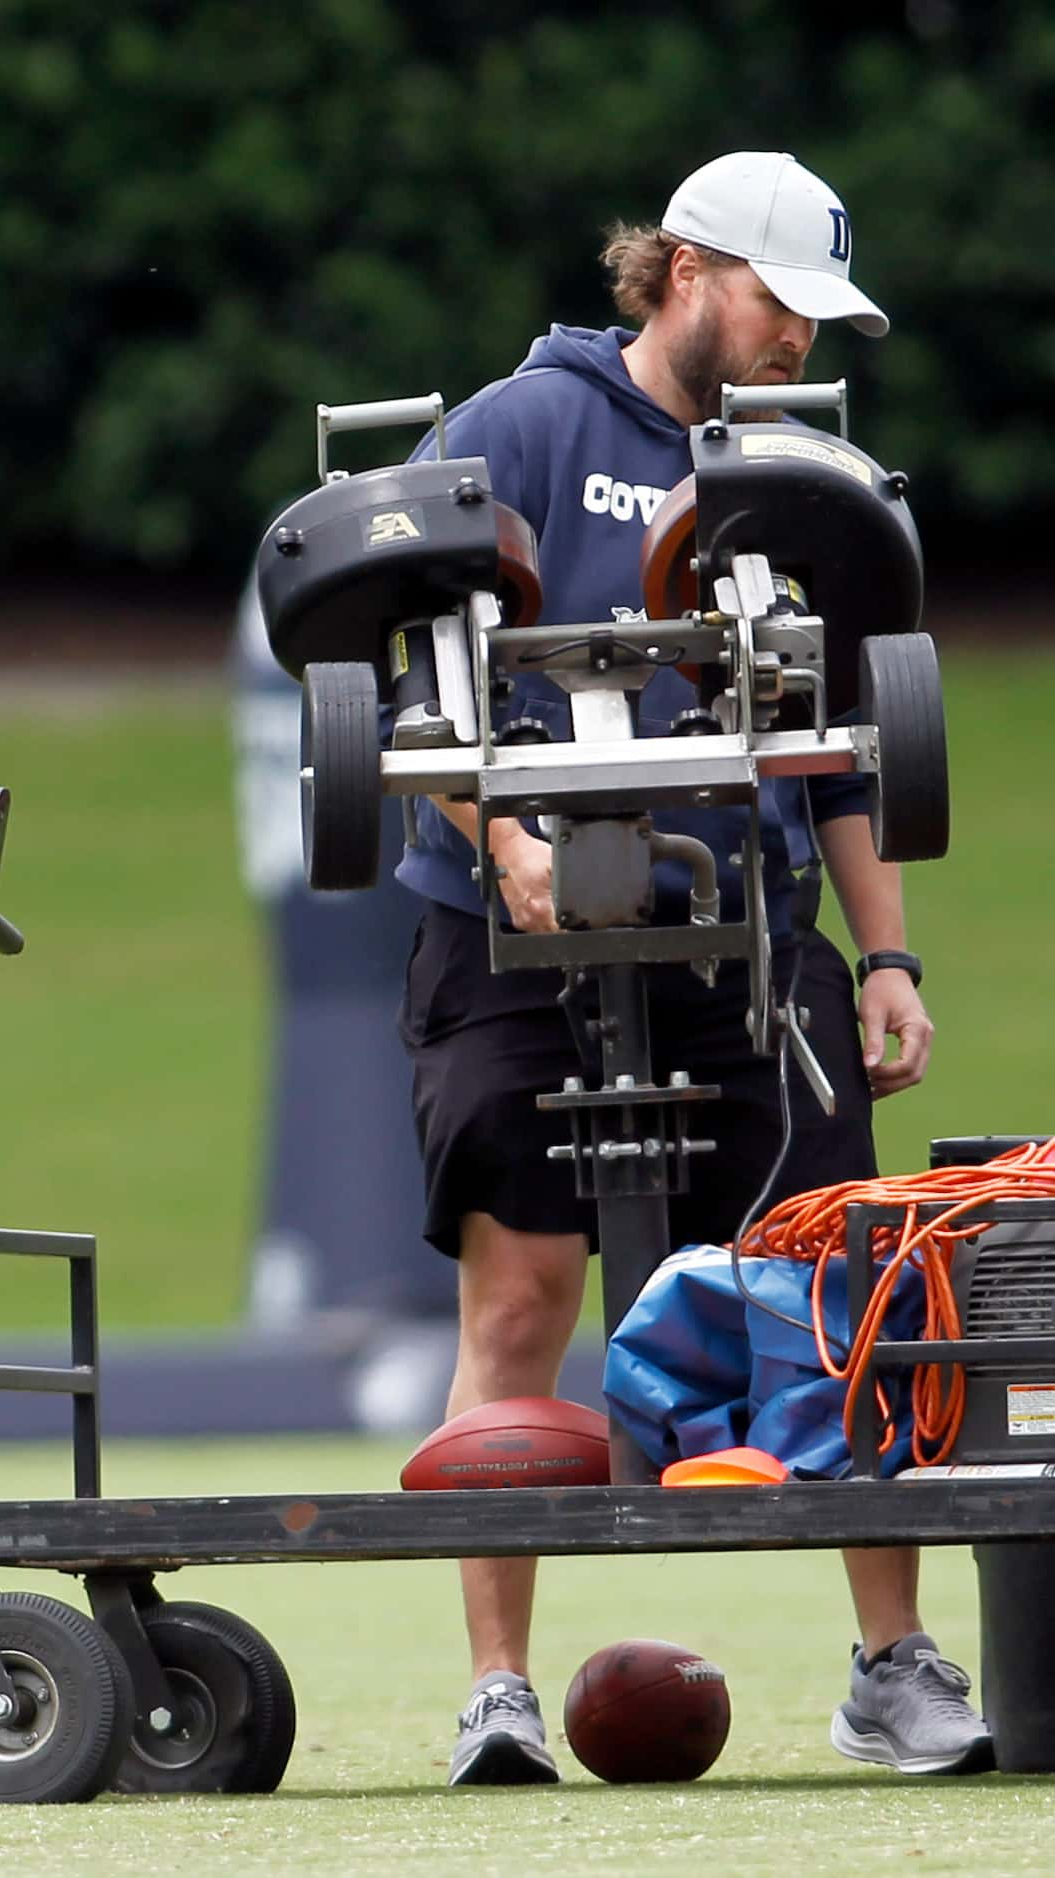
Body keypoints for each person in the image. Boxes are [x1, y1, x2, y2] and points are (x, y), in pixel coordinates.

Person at [397, 152, 990, 1784]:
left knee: (837, 1284)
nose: (800, 334)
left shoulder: (809, 469)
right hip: (509, 922)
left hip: (743, 928)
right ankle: (498, 1692)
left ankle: (890, 1660)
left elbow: (845, 746)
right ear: (681, 273)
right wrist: (499, 836)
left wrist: (883, 954)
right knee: (519, 1297)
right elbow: (413, 677)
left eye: (820, 312)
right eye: (778, 300)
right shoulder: (520, 424)